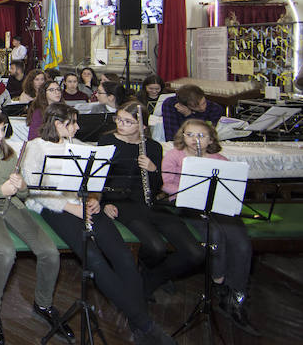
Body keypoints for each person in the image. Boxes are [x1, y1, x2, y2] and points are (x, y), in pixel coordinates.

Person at [22, 104, 176, 345]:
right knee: (93, 259)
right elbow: (33, 188)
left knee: (124, 257)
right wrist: (71, 207)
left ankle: (139, 325)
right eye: (73, 122)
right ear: (58, 124)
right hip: (56, 207)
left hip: (85, 205)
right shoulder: (35, 147)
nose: (78, 127)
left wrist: (95, 199)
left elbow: (98, 181)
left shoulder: (81, 146)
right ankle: (146, 326)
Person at [0, 111, 74, 345]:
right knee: (6, 251)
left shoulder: (9, 152)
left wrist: (22, 185)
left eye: (2, 130)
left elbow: (23, 193)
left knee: (49, 252)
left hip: (10, 205)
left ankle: (43, 303)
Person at [99, 102, 204, 302]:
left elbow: (157, 187)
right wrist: (104, 204)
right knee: (156, 248)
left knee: (196, 253)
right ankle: (147, 277)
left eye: (128, 122)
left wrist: (153, 169)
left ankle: (152, 277)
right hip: (122, 203)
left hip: (150, 203)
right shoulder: (107, 141)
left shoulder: (152, 147)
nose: (121, 124)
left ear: (142, 126)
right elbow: (99, 178)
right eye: (119, 119)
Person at [161, 119, 257, 335]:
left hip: (219, 206)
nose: (195, 139)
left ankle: (236, 296)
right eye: (190, 134)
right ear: (182, 135)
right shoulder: (175, 155)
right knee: (214, 235)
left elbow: (232, 185)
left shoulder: (219, 159)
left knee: (240, 243)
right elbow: (166, 182)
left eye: (201, 136)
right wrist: (185, 191)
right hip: (189, 205)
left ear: (211, 139)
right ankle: (219, 281)